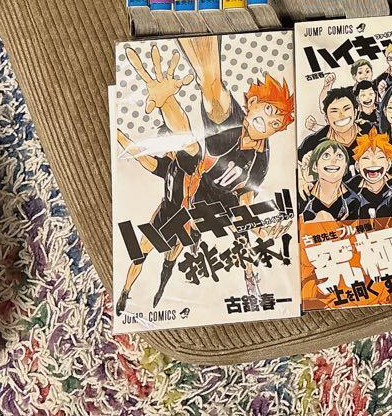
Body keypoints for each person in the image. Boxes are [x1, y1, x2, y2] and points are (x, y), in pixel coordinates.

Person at [115, 37, 294, 312]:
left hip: (219, 204)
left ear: (277, 129)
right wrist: (165, 103)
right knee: (147, 252)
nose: (267, 120)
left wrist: (259, 227)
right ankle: (127, 292)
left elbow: (245, 202)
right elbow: (211, 88)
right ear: (252, 102)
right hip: (186, 205)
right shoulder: (215, 138)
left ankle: (250, 281)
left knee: (233, 236)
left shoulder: (260, 161)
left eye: (275, 121)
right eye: (268, 110)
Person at [299, 139, 356, 221]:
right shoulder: (304, 193)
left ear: (345, 166)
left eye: (339, 156)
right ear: (315, 166)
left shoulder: (354, 200)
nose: (333, 161)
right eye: (326, 156)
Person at [349, 130, 392, 218]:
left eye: (380, 157)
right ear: (357, 165)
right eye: (366, 158)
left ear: (388, 164)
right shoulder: (350, 188)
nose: (373, 163)